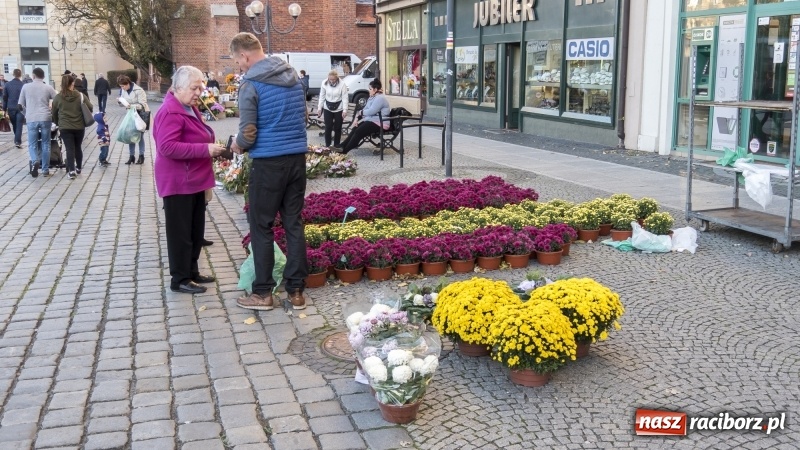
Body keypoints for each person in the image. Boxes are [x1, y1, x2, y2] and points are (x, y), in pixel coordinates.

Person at [229, 32, 308, 311]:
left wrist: (235, 147)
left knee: (261, 225)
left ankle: (262, 293)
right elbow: (304, 118)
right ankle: (296, 291)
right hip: (297, 160)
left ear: (244, 55)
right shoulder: (293, 77)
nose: (238, 67)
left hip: (268, 163)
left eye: (237, 61)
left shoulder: (251, 84)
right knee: (293, 223)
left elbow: (248, 134)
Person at [153, 65, 224, 294]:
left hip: (193, 180)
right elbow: (167, 147)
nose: (199, 92)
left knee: (195, 231)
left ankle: (191, 271)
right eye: (194, 88)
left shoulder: (188, 107)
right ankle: (180, 278)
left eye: (200, 87)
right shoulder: (170, 112)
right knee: (180, 234)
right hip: (178, 182)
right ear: (179, 87)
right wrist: (205, 149)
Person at [52, 74, 93, 180]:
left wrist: (57, 123)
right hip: (79, 126)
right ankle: (79, 167)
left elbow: (54, 113)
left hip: (65, 127)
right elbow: (90, 107)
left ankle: (71, 171)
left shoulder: (58, 97)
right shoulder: (80, 95)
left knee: (69, 148)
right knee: (78, 147)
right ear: (73, 83)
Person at [18, 67, 57, 178]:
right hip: (45, 117)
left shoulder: (26, 87)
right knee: (46, 143)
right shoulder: (48, 87)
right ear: (43, 77)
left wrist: (26, 113)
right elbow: (57, 100)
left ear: (33, 76)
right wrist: (52, 109)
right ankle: (45, 169)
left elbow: (19, 105)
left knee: (32, 144)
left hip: (31, 118)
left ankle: (35, 160)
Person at [337, 79, 390, 154]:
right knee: (355, 128)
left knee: (359, 131)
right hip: (373, 121)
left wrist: (361, 113)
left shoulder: (380, 98)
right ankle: (342, 146)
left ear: (375, 89)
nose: (369, 91)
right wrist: (356, 119)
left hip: (381, 123)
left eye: (370, 89)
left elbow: (371, 111)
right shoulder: (372, 98)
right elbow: (364, 110)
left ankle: (344, 151)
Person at [117, 75, 150, 165]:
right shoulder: (123, 90)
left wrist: (131, 106)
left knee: (139, 136)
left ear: (128, 83)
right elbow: (123, 102)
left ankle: (141, 156)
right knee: (130, 135)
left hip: (140, 115)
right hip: (130, 115)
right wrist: (120, 102)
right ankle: (131, 156)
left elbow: (143, 104)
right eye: (121, 86)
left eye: (123, 86)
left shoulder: (139, 90)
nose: (122, 88)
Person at [317, 70, 348, 148]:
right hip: (327, 107)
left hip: (339, 107)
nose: (332, 81)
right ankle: (328, 146)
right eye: (330, 79)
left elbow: (345, 97)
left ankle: (336, 145)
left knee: (338, 127)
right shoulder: (324, 83)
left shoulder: (342, 84)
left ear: (337, 78)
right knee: (328, 127)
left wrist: (345, 110)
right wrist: (319, 108)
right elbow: (322, 96)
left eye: (333, 79)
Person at [2, 69, 25, 148]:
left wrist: (4, 109)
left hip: (11, 107)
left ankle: (17, 140)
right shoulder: (23, 85)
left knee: (14, 124)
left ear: (13, 74)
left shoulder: (7, 84)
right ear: (20, 75)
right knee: (19, 125)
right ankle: (17, 141)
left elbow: (5, 98)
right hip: (21, 107)